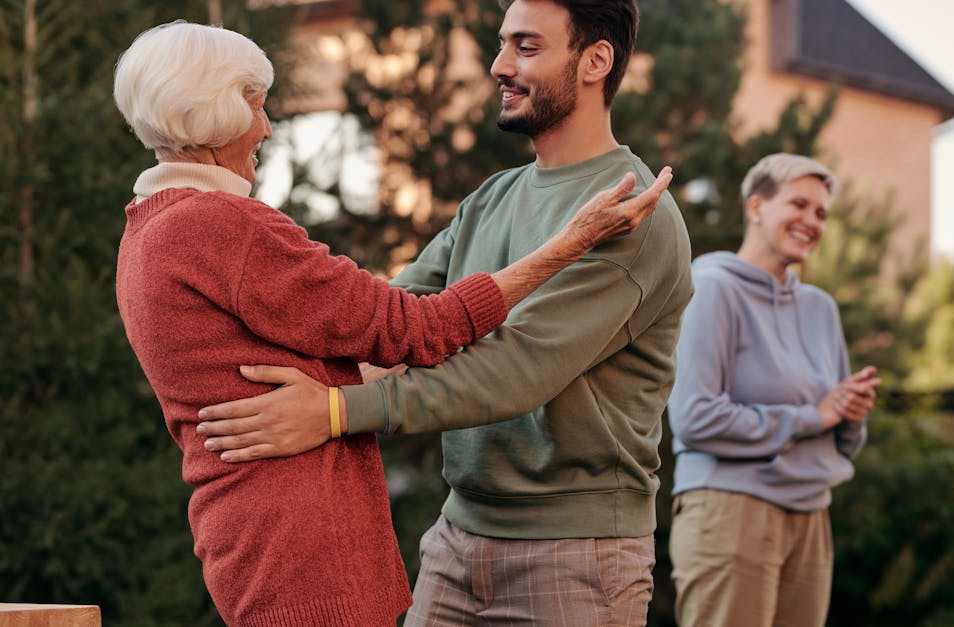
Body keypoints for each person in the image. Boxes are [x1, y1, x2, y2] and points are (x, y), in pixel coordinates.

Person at [113, 20, 672, 627]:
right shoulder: (491, 197)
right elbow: (400, 321)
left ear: (595, 62)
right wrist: (565, 246)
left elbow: (516, 369)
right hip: (429, 539)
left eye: (525, 46)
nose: (499, 65)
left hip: (572, 549)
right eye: (503, 43)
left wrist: (335, 408)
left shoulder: (632, 212)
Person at [666, 153, 880, 627]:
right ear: (756, 206)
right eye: (799, 204)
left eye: (821, 213)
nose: (811, 221)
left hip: (811, 515)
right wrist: (813, 416)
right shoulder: (712, 287)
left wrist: (850, 413)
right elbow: (694, 416)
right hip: (729, 510)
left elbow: (838, 434)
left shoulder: (821, 309)